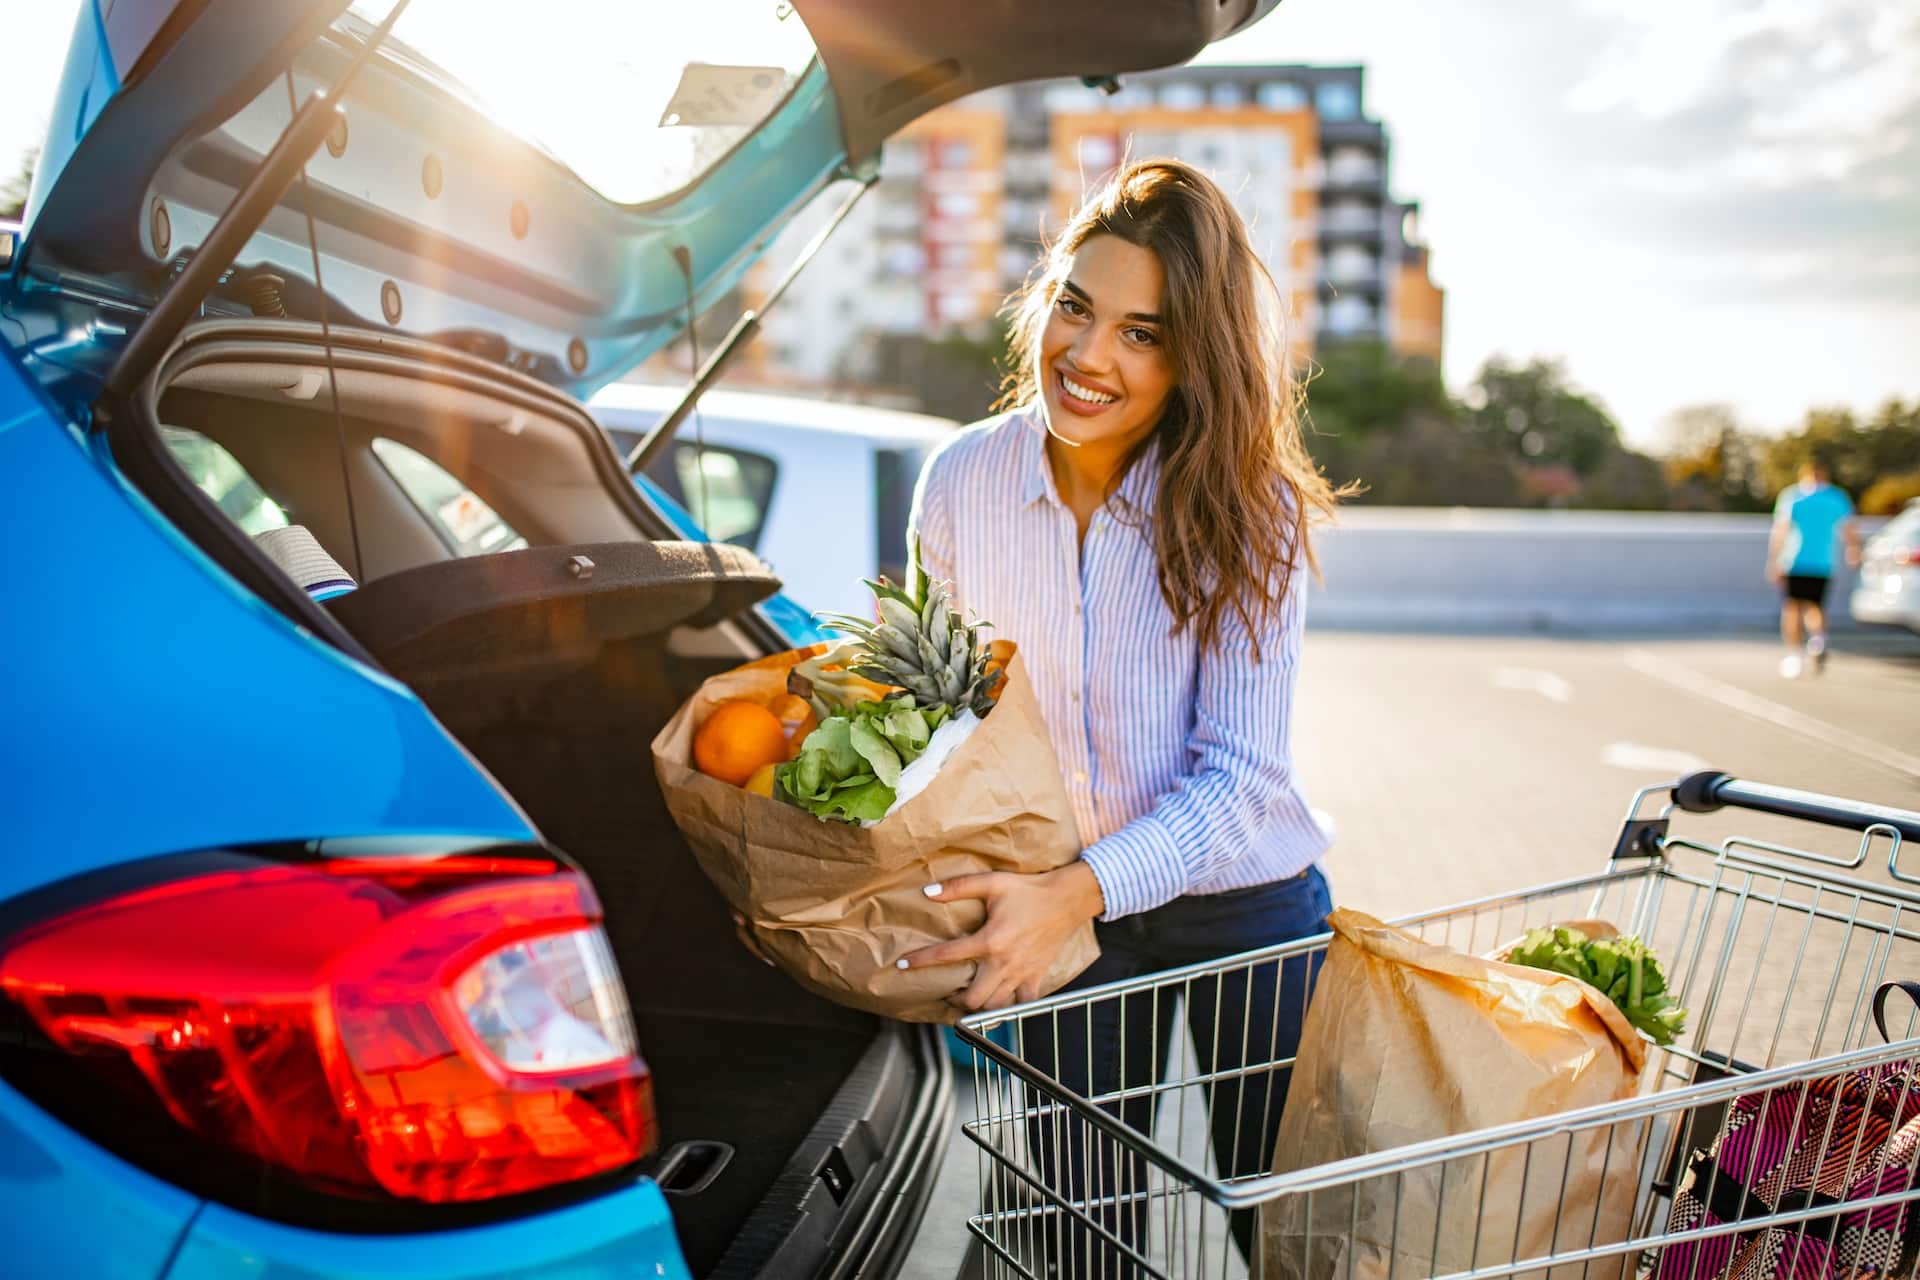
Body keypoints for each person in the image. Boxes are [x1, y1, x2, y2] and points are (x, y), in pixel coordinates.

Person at [895, 158, 1340, 1272]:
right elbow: (944, 719)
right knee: (1069, 1240)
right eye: (1077, 308)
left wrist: (1076, 892)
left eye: (1142, 333)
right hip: (1056, 914)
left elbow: (1239, 778)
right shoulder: (960, 482)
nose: (1089, 357)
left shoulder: (1253, 510)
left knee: (1294, 1231)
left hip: (1243, 913)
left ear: (1193, 358)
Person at [1767, 455, 1860, 677]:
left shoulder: (1793, 497)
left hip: (1795, 561)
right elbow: (1849, 529)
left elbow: (1780, 531)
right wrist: (1854, 548)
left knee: (1793, 607)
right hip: (1823, 563)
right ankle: (1818, 640)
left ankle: (1794, 654)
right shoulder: (1836, 497)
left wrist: (1773, 560)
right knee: (1815, 606)